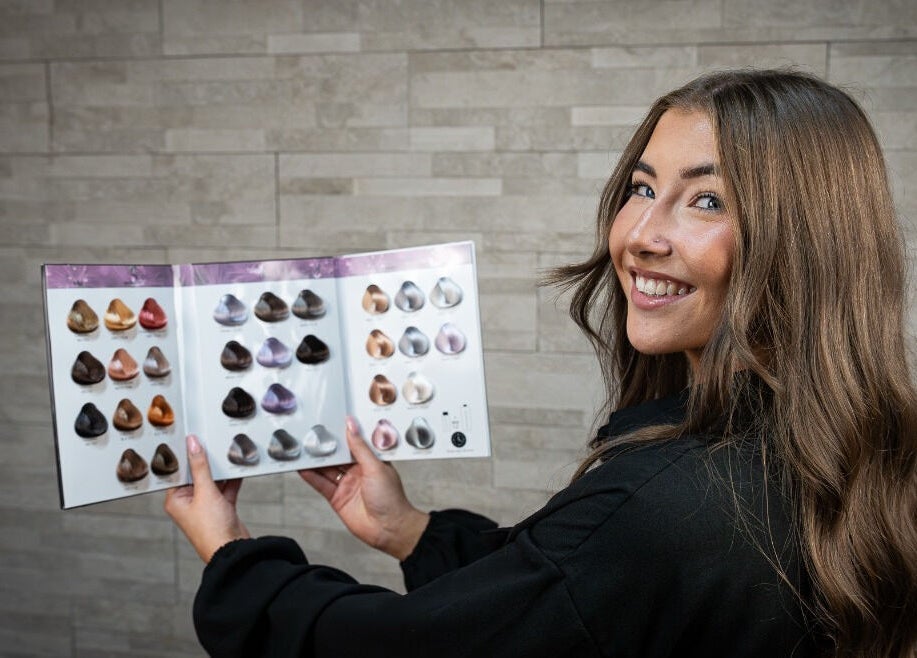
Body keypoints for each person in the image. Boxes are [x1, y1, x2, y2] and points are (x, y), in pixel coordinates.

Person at [165, 69, 917, 658]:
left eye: (707, 201)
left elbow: (403, 650)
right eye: (642, 188)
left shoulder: (665, 504)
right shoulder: (854, 449)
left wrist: (231, 554)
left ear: (802, 244)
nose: (639, 235)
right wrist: (414, 533)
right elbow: (573, 603)